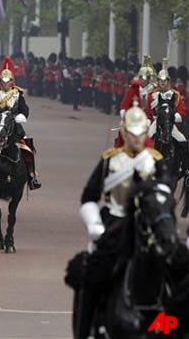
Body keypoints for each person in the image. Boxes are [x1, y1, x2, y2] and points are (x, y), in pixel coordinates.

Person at [76, 103, 162, 338]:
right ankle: (86, 329)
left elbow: (164, 201)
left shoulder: (155, 161)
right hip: (114, 223)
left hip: (146, 226)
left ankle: (171, 326)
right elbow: (89, 197)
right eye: (132, 134)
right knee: (91, 277)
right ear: (124, 133)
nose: (137, 139)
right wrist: (94, 223)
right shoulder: (109, 161)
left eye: (141, 133)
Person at [0, 57, 42, 190]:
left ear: (11, 81)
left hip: (14, 127)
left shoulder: (17, 94)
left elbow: (24, 110)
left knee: (28, 147)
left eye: (7, 81)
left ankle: (31, 176)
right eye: (2, 81)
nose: (5, 84)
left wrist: (20, 117)